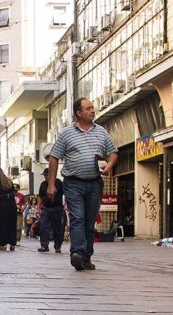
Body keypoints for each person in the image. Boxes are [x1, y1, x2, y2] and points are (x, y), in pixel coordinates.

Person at [47, 97, 118, 270]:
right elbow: (54, 157)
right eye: (88, 108)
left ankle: (86, 257)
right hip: (73, 183)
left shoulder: (101, 131)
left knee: (90, 221)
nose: (92, 110)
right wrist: (51, 184)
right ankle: (77, 253)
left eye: (93, 108)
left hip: (94, 183)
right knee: (77, 217)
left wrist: (109, 165)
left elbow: (113, 152)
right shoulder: (66, 133)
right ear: (78, 113)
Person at [37, 167, 65, 253]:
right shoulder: (43, 184)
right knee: (44, 227)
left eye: (46, 175)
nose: (45, 177)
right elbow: (40, 196)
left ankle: (57, 246)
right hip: (46, 208)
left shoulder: (59, 183)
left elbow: (65, 194)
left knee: (58, 228)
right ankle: (44, 245)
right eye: (44, 175)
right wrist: (38, 208)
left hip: (57, 208)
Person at [0, 167, 18, 251]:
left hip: (1, 205)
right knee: (11, 224)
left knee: (2, 225)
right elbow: (14, 192)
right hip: (11, 205)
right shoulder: (10, 182)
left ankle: (3, 243)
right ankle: (12, 244)